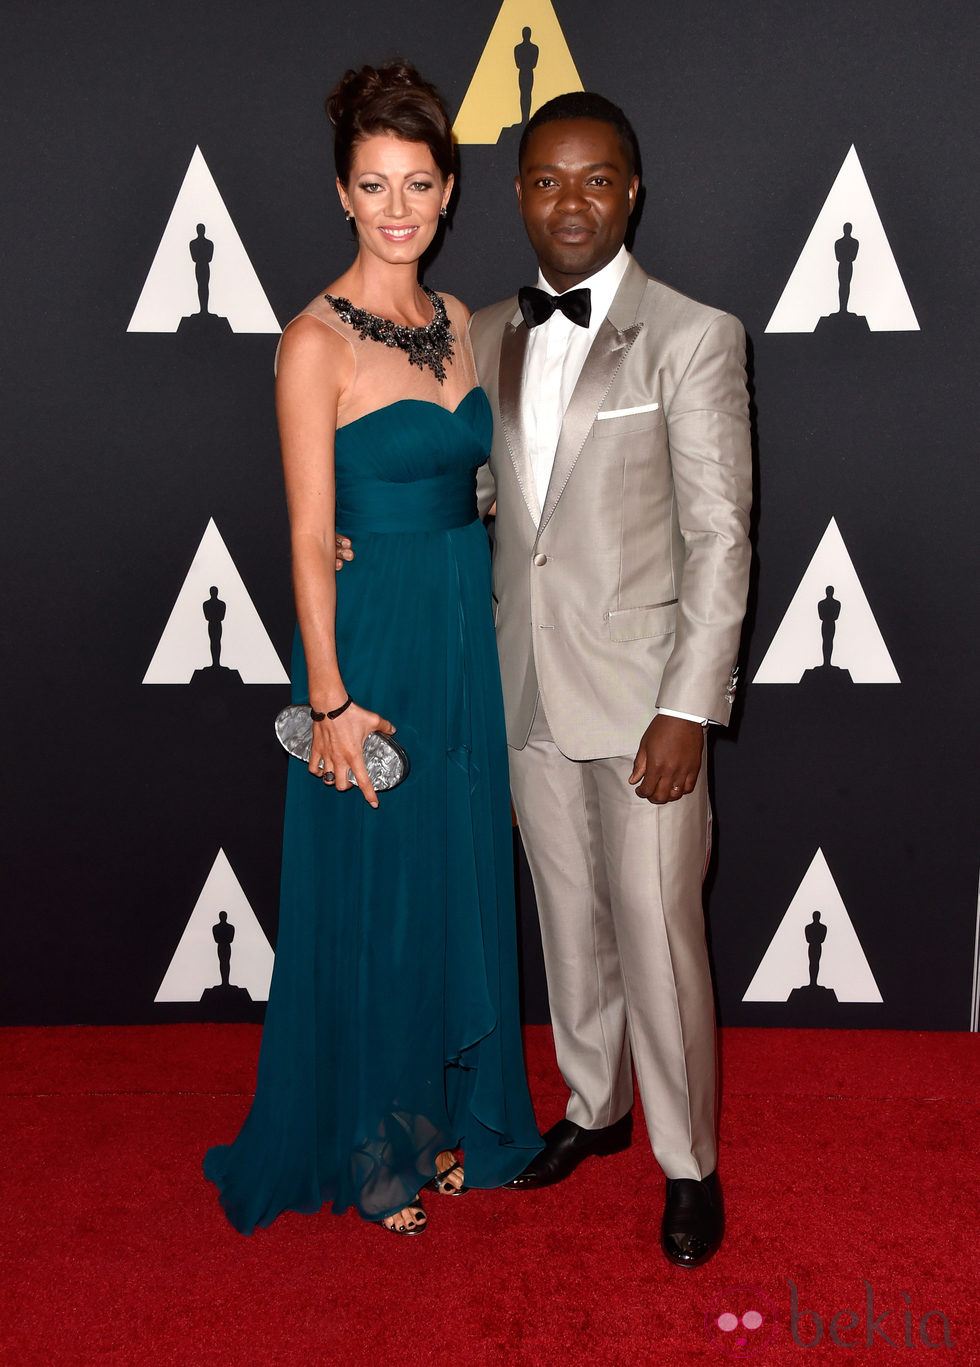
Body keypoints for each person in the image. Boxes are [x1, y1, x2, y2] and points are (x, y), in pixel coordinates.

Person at [204, 62, 541, 1238]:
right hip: (369, 650)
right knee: (380, 893)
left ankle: (445, 1118)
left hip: (459, 634)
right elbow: (305, 534)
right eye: (371, 184)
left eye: (416, 182)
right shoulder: (311, 342)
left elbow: (475, 479)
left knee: (448, 879)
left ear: (448, 189)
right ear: (340, 193)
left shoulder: (457, 321)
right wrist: (332, 700)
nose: (396, 207)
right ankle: (370, 1143)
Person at [469, 92, 752, 1267]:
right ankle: (594, 1106)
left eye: (593, 179)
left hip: (644, 698)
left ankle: (687, 1163)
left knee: (655, 927)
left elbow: (721, 533)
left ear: (630, 190)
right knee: (567, 919)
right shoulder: (483, 330)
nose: (568, 201)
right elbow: (494, 504)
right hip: (523, 681)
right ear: (519, 194)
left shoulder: (694, 333)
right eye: (544, 179)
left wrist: (687, 701)